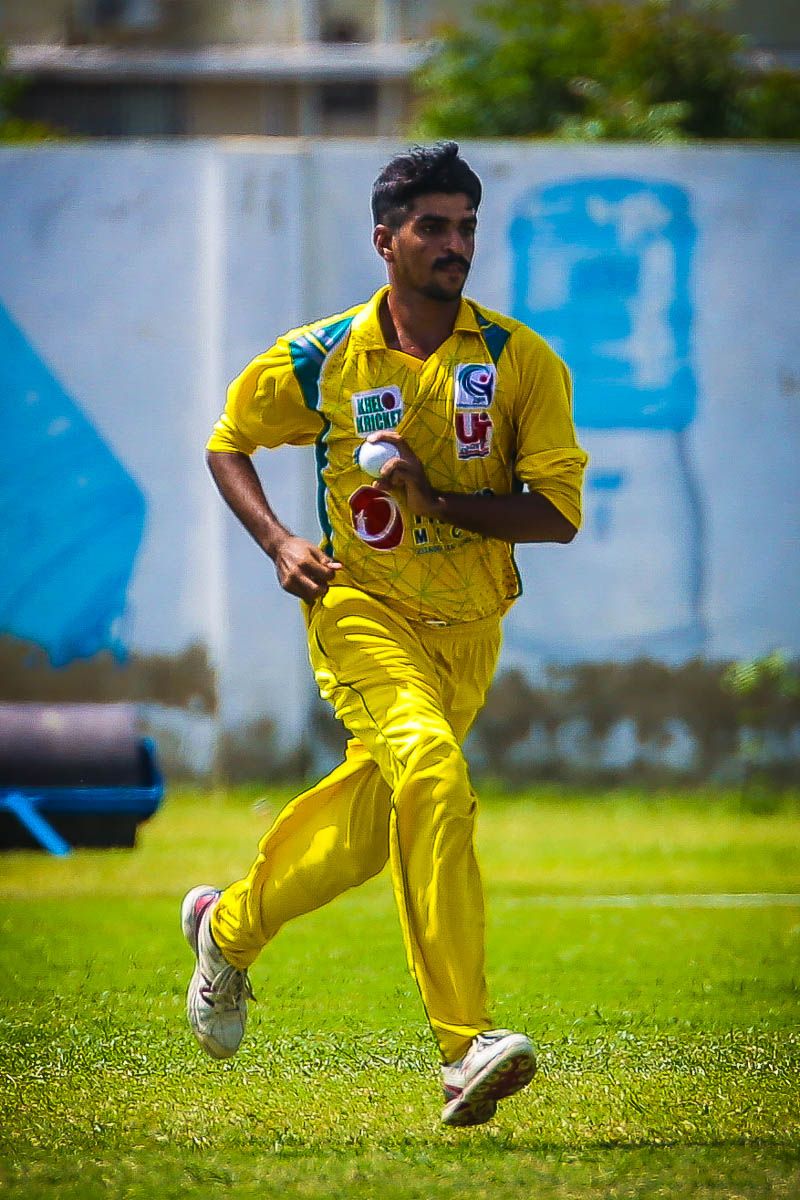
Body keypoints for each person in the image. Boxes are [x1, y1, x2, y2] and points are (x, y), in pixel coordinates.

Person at [183, 142, 588, 1127]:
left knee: (371, 831)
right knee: (434, 775)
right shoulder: (319, 358)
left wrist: (433, 497)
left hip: (471, 626)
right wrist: (280, 541)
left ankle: (227, 929)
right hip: (358, 610)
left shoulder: (518, 360)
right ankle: (465, 1046)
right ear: (384, 240)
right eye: (432, 227)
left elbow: (556, 514)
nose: (455, 245)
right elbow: (229, 442)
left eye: (466, 227)